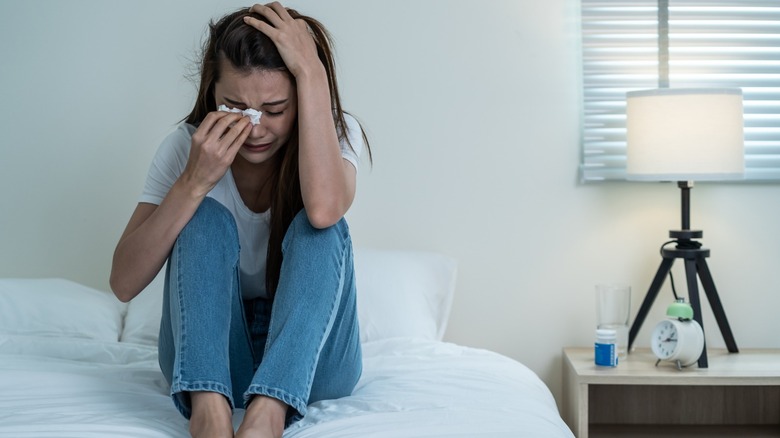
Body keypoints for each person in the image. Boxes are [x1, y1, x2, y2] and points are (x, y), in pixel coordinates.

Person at [109, 3, 370, 437]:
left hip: (312, 360)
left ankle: (269, 413)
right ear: (211, 91)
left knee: (321, 229)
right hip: (210, 355)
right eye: (235, 106)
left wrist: (311, 69)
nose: (255, 128)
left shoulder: (336, 133)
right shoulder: (185, 147)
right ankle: (209, 412)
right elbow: (123, 283)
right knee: (201, 217)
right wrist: (193, 182)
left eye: (275, 109)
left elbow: (324, 210)